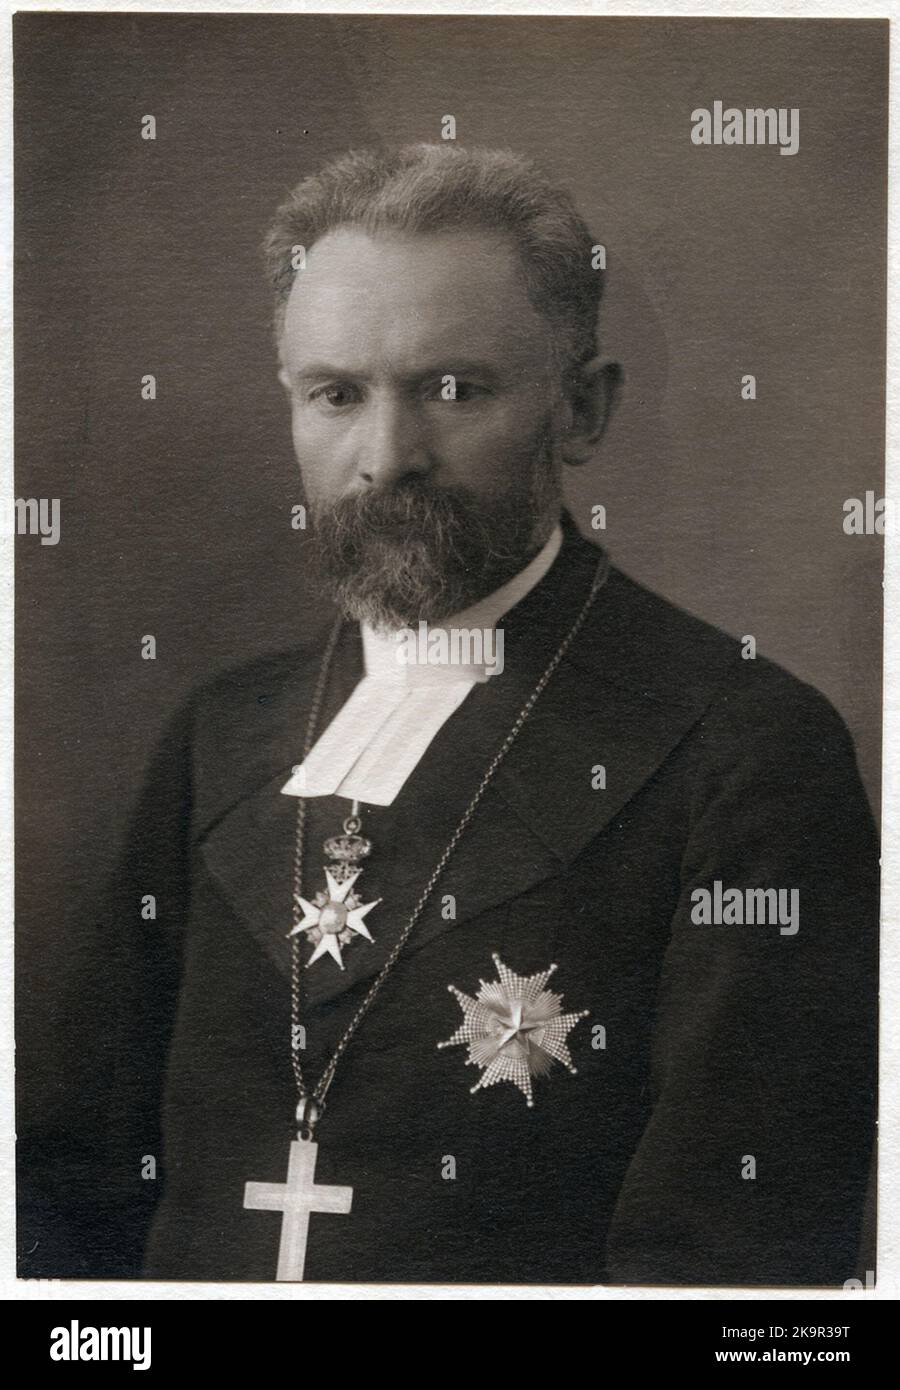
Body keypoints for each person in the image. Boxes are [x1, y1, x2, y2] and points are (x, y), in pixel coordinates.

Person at [30, 144, 878, 1285]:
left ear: (581, 409)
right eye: (336, 394)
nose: (386, 459)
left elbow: (735, 1263)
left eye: (453, 390)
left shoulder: (748, 751)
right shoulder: (221, 732)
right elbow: (68, 1187)